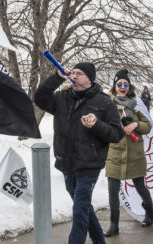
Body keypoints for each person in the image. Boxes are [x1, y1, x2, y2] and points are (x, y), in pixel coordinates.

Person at [34, 62, 123, 244]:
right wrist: (57, 77)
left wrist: (96, 125)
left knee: (80, 209)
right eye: (72, 73)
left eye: (79, 73)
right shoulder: (61, 98)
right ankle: (99, 240)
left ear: (90, 78)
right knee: (83, 207)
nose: (74, 76)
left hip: (89, 164)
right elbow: (40, 98)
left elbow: (116, 134)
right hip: (66, 162)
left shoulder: (104, 102)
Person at [104, 69, 153, 237]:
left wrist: (135, 125)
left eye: (125, 84)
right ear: (115, 86)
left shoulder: (137, 104)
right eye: (119, 84)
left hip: (134, 154)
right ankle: (114, 224)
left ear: (129, 86)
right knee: (112, 190)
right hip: (115, 153)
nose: (123, 87)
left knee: (140, 186)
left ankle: (150, 211)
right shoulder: (108, 103)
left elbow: (148, 126)